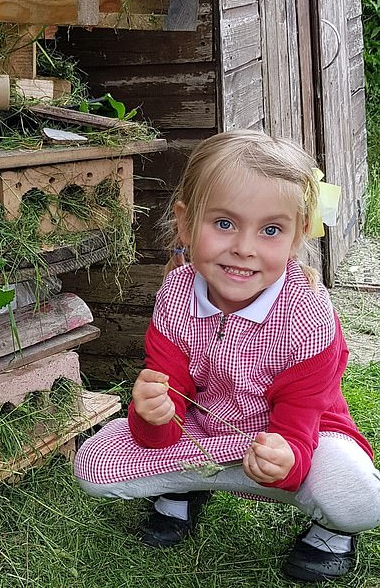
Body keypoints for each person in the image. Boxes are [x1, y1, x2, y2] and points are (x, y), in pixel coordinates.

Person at [74, 130, 380, 583]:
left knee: (357, 497)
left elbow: (300, 420)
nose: (244, 247)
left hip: (296, 438)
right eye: (223, 224)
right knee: (92, 467)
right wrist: (155, 414)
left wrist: (288, 456)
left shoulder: (309, 316)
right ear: (184, 222)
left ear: (296, 238)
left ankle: (331, 532)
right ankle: (191, 485)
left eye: (271, 230)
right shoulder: (175, 295)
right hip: (204, 432)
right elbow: (168, 400)